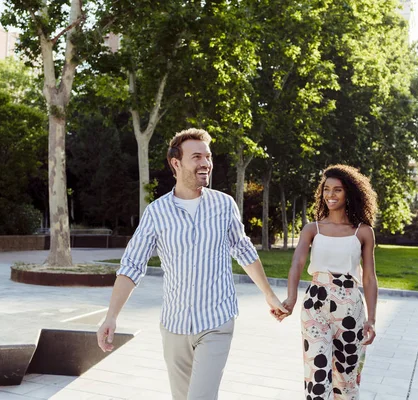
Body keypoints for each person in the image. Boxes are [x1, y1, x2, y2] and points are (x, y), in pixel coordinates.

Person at [96, 128, 287, 400]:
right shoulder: (157, 212)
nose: (206, 163)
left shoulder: (224, 205)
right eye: (197, 156)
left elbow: (244, 250)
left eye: (208, 156)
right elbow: (132, 266)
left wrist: (269, 295)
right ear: (176, 163)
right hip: (175, 325)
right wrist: (111, 316)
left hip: (216, 320)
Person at [280, 164, 378, 400]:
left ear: (349, 193)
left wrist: (372, 319)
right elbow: (296, 265)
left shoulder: (363, 232)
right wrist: (291, 299)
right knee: (316, 376)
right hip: (315, 303)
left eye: (337, 190)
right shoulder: (312, 229)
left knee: (346, 378)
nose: (330, 195)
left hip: (350, 307)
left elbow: (369, 277)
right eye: (326, 189)